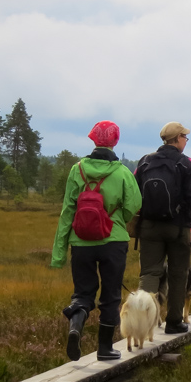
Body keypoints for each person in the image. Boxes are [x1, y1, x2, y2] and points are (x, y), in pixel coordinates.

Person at [52, 121, 142, 362]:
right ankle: (104, 349)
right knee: (111, 295)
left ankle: (76, 324)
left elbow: (67, 211)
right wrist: (116, 221)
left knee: (82, 293)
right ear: (115, 141)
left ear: (93, 140)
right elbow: (135, 204)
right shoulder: (122, 172)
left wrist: (59, 253)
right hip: (113, 242)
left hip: (80, 242)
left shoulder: (76, 170)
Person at [134, 121, 191, 334]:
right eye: (185, 137)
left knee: (149, 272)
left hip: (149, 226)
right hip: (178, 228)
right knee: (178, 273)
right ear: (177, 139)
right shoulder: (185, 164)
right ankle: (174, 322)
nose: (186, 140)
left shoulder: (145, 162)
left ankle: (142, 322)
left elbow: (136, 192)